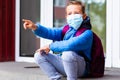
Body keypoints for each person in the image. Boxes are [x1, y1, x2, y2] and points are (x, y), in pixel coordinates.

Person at [23, 1, 93, 80]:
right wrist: (35, 27)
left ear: (83, 16)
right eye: (69, 14)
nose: (73, 16)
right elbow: (50, 32)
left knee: (68, 53)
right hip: (65, 65)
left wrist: (50, 46)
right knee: (39, 55)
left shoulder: (87, 33)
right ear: (66, 16)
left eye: (76, 13)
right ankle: (55, 78)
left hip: (82, 69)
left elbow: (70, 44)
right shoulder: (66, 29)